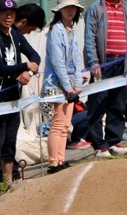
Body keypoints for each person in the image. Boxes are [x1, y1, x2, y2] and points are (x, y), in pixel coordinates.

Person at [0, 0, 41, 193]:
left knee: (10, 140)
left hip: (14, 97)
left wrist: (29, 73)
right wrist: (25, 67)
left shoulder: (15, 33)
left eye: (11, 14)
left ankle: (8, 181)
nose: (8, 17)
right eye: (4, 13)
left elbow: (35, 56)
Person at [84, 0, 127, 158]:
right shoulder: (96, 8)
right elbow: (89, 36)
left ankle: (113, 141)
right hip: (103, 63)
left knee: (117, 103)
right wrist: (93, 62)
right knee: (98, 103)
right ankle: (99, 145)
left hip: (121, 63)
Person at [42, 0, 84, 172]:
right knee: (58, 123)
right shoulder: (56, 30)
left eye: (73, 7)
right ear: (59, 10)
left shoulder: (71, 30)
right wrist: (68, 86)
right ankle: (53, 163)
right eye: (66, 7)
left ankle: (60, 159)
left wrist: (78, 83)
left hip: (70, 85)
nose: (70, 10)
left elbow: (77, 58)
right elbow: (58, 62)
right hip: (57, 84)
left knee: (66, 124)